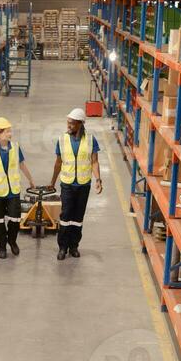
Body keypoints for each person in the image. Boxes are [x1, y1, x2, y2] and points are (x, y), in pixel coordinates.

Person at [49, 107, 103, 260]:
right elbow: (58, 163)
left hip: (83, 184)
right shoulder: (62, 139)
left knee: (78, 218)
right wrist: (52, 182)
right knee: (65, 216)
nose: (69, 126)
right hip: (67, 184)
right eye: (68, 123)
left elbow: (94, 161)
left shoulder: (91, 139)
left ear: (80, 124)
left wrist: (98, 179)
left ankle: (74, 246)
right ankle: (62, 247)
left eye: (72, 123)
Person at [0, 117, 34, 259]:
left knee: (15, 219)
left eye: (10, 131)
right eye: (7, 131)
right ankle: (2, 246)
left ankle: (12, 241)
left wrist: (30, 180)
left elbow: (22, 165)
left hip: (13, 191)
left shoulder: (15, 148)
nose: (10, 134)